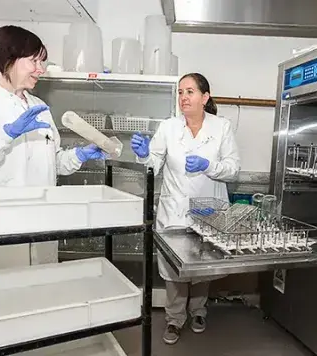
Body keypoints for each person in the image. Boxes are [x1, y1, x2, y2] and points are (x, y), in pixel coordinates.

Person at [0, 25, 105, 272]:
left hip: (42, 223)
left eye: (41, 62)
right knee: (3, 297)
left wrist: (78, 155)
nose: (41, 69)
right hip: (0, 225)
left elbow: (51, 164)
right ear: (8, 60)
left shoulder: (38, 105)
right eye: (34, 61)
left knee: (40, 292)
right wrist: (6, 134)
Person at [130, 73, 240, 345]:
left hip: (209, 211)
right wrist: (144, 154)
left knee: (204, 265)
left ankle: (199, 311)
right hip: (175, 210)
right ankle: (174, 319)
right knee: (174, 270)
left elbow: (233, 168)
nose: (183, 97)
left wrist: (209, 166)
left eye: (190, 91)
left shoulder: (222, 127)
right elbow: (152, 166)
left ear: (205, 97)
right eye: (180, 92)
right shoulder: (168, 127)